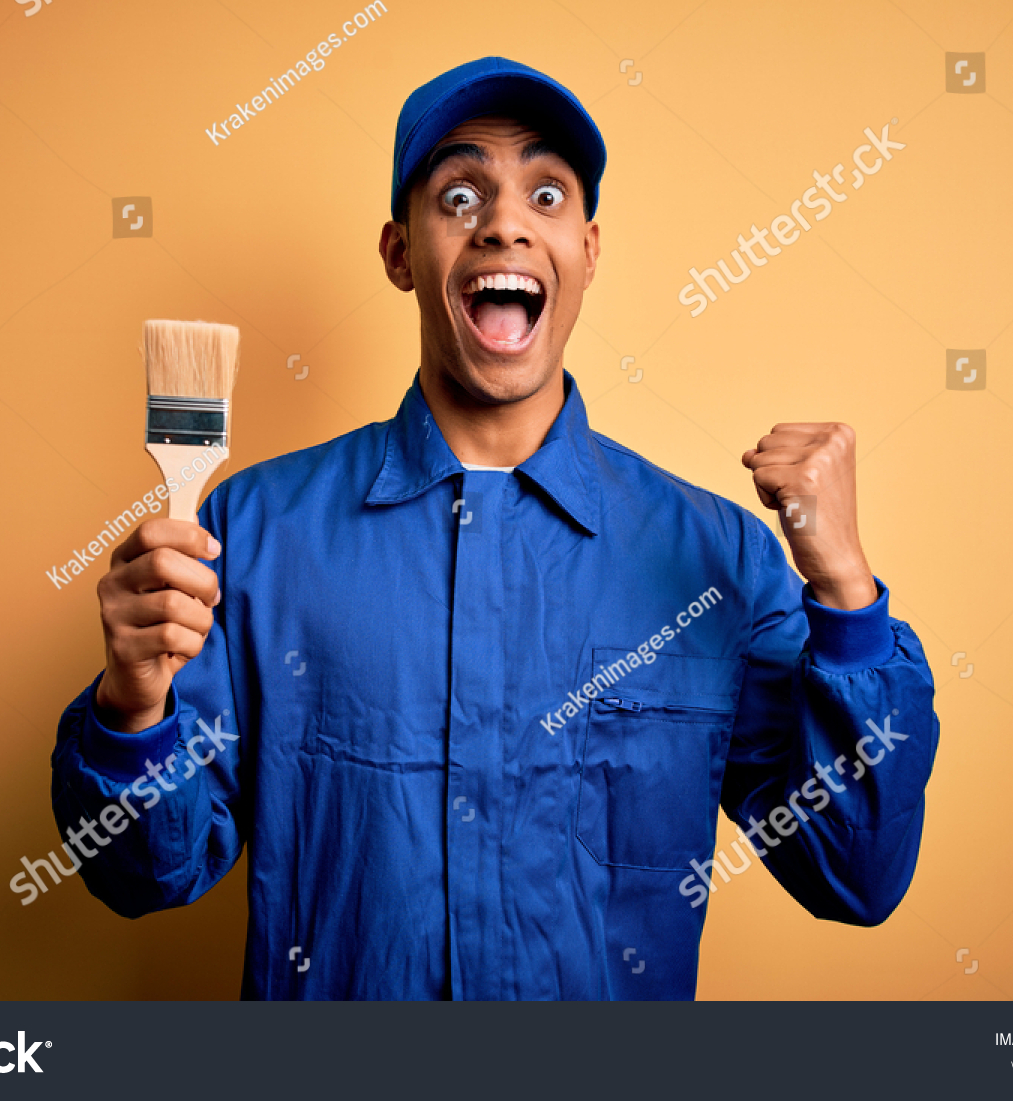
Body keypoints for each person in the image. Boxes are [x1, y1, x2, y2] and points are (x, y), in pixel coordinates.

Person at [50, 56, 939, 1000]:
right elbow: (145, 874)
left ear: (589, 252)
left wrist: (845, 593)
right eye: (461, 193)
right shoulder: (252, 531)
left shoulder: (717, 558)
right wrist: (132, 702)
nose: (504, 222)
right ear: (401, 254)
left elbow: (856, 875)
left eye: (545, 194)